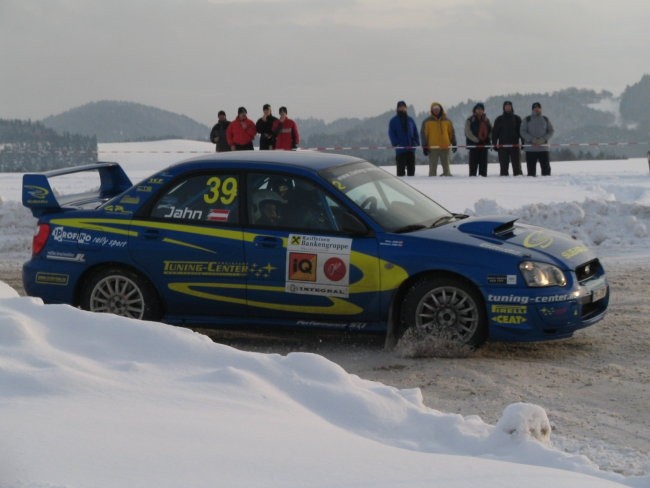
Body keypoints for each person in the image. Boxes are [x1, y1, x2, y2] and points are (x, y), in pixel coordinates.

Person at [420, 102, 457, 176]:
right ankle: (432, 181)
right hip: (433, 147)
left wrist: (454, 143)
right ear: (431, 110)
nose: (436, 110)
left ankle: (447, 180)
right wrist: (424, 146)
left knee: (446, 166)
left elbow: (451, 132)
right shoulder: (427, 121)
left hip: (445, 146)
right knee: (433, 167)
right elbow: (423, 134)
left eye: (437, 109)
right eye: (434, 109)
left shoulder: (447, 121)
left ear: (441, 109)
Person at [520, 102, 555, 176]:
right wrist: (532, 139)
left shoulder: (545, 119)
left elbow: (551, 131)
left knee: (546, 172)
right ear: (532, 109)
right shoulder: (527, 119)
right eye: (535, 108)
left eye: (538, 108)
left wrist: (543, 139)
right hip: (531, 149)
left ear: (540, 109)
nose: (536, 109)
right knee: (531, 173)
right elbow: (522, 131)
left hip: (543, 149)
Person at [388, 100, 420, 176]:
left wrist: (416, 142)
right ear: (397, 109)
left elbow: (415, 132)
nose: (402, 109)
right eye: (400, 107)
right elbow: (391, 133)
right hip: (400, 149)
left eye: (404, 107)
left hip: (411, 149)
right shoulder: (393, 121)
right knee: (400, 172)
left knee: (411, 171)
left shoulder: (410, 120)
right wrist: (396, 143)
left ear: (406, 108)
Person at [492, 101, 523, 176]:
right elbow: (495, 133)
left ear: (512, 107)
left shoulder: (517, 118)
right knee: (503, 169)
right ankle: (504, 185)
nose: (508, 107)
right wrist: (494, 144)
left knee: (517, 169)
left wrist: (523, 143)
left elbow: (521, 132)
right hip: (502, 147)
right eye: (506, 106)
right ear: (504, 108)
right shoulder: (499, 119)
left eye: (509, 106)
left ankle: (519, 184)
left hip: (514, 146)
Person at [464, 103, 492, 177]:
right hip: (473, 146)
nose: (480, 111)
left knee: (483, 169)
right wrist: (476, 140)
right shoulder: (470, 120)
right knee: (473, 169)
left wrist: (488, 138)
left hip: (484, 146)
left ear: (483, 110)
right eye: (478, 109)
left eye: (481, 109)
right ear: (475, 110)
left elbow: (491, 131)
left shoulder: (487, 120)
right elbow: (467, 132)